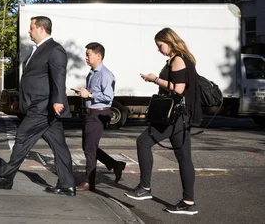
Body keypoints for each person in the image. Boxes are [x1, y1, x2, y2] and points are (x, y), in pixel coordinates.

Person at [0, 16, 76, 196]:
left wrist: (58, 100)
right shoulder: (40, 49)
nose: (29, 31)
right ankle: (67, 184)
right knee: (59, 146)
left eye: (31, 27)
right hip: (42, 107)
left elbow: (59, 77)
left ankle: (5, 177)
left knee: (22, 138)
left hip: (42, 106)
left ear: (41, 28)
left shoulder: (54, 49)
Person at [125, 27, 202, 215]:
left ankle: (145, 188)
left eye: (160, 45)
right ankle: (188, 202)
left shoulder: (177, 59)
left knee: (143, 142)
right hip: (183, 116)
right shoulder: (185, 58)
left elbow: (178, 89)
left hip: (175, 116)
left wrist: (155, 79)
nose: (158, 49)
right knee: (184, 157)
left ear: (169, 42)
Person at [73, 42, 126, 192]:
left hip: (99, 113)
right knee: (88, 147)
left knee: (89, 148)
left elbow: (109, 96)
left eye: (88, 54)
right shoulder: (92, 73)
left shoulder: (105, 74)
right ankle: (115, 165)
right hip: (91, 113)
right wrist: (85, 93)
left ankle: (89, 182)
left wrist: (89, 94)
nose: (86, 57)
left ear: (98, 56)